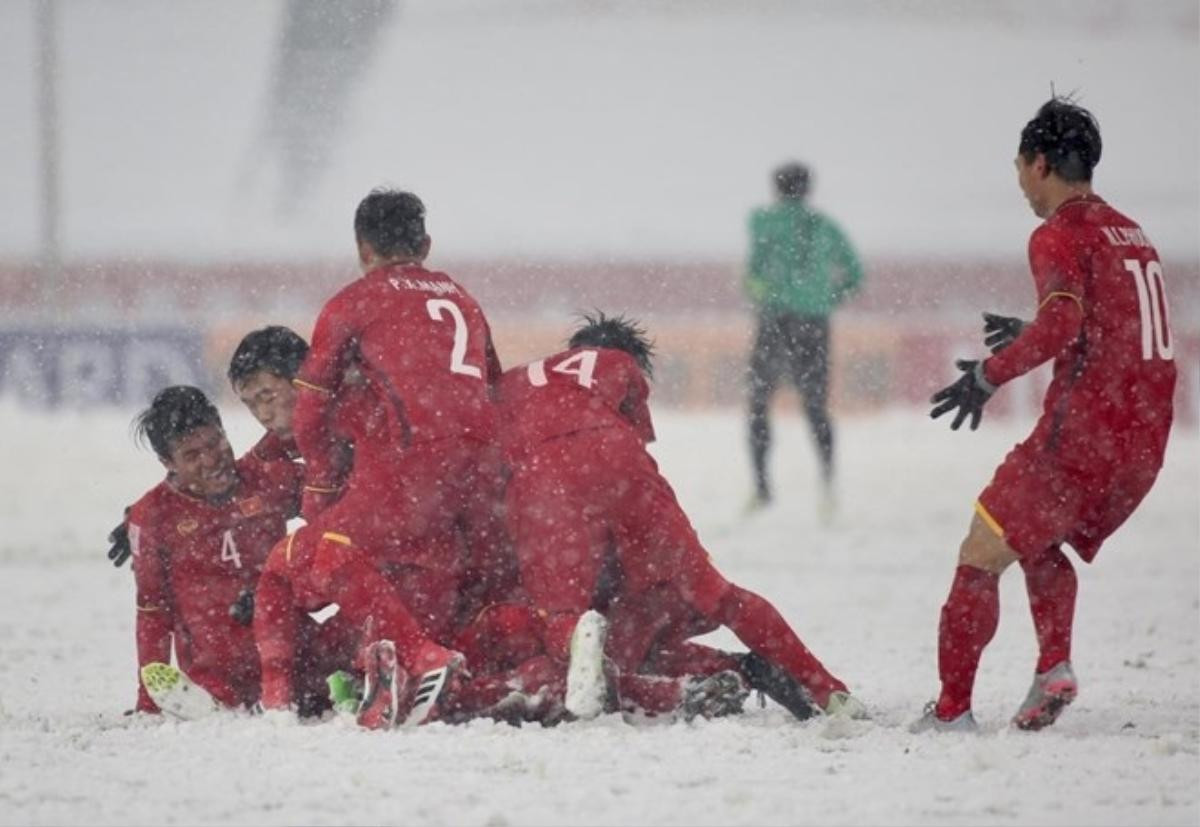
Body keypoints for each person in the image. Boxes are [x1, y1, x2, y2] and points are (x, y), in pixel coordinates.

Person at [915, 97, 1177, 733]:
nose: (1020, 183)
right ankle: (1053, 668)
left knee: (980, 550)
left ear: (1038, 164)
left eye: (1017, 166)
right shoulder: (1132, 231)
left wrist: (987, 375)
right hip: (1144, 446)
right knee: (1036, 538)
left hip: (1084, 436)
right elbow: (1099, 322)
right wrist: (1033, 331)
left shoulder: (1056, 232)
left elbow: (1065, 322)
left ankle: (950, 714)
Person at [498, 312, 867, 720]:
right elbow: (624, 449)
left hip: (542, 479)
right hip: (620, 464)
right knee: (722, 597)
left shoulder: (517, 379)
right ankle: (830, 692)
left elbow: (494, 456)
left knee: (563, 620)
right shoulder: (622, 367)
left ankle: (577, 638)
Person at [258, 187, 505, 728]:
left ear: (362, 248)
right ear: (427, 243)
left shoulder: (352, 303)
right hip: (481, 483)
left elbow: (308, 414)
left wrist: (318, 491)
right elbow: (492, 387)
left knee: (293, 562)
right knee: (407, 591)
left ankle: (281, 703)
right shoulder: (462, 298)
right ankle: (397, 672)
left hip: (409, 473)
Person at [126, 386, 303, 714]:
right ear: (168, 462)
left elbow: (345, 499)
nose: (211, 461)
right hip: (218, 678)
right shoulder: (153, 516)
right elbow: (153, 612)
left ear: (224, 430)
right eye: (191, 456)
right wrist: (148, 702)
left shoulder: (268, 479)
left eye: (215, 443)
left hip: (295, 656)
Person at [744, 161, 864, 517]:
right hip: (814, 321)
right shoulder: (826, 226)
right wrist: (828, 297)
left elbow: (753, 275)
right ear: (808, 188)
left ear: (776, 187)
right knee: (815, 405)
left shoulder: (763, 222)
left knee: (758, 404)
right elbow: (855, 273)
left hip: (774, 319)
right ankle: (827, 484)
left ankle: (762, 489)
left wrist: (766, 294)